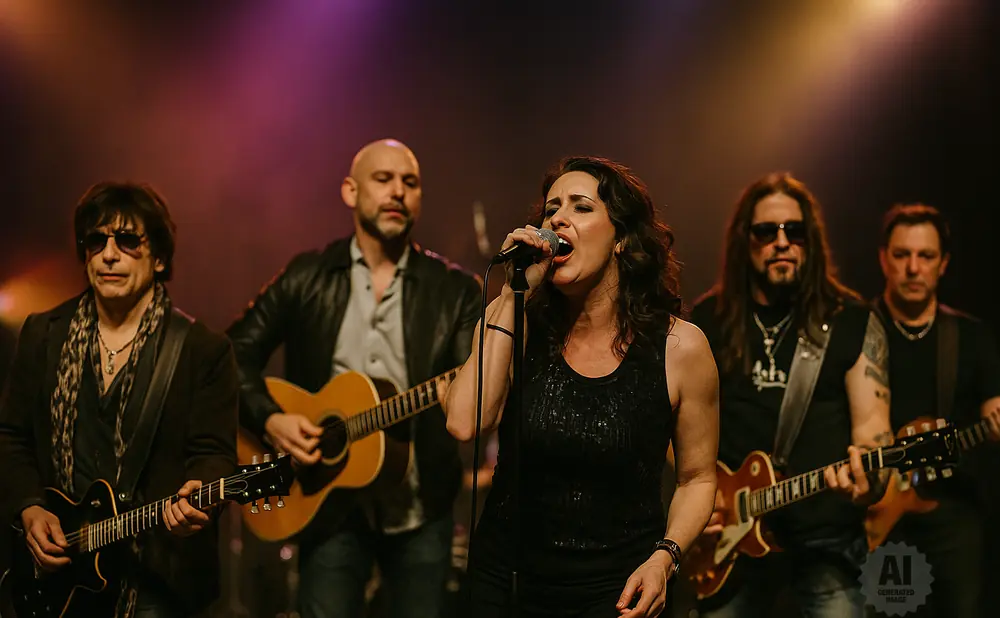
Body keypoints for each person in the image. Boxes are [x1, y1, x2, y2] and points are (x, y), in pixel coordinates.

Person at [443, 155, 720, 618]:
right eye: (552, 208)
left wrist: (665, 558)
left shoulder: (679, 348)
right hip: (506, 585)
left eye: (581, 206)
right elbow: (465, 423)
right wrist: (517, 294)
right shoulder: (513, 323)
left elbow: (698, 477)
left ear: (621, 239)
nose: (558, 219)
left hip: (616, 592)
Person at [227, 139, 482, 618]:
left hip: (420, 510)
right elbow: (229, 357)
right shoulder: (307, 276)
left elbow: (478, 393)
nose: (397, 193)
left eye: (410, 183)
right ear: (350, 191)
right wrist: (271, 420)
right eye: (383, 179)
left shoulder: (456, 291)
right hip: (325, 508)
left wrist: (462, 396)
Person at [0, 182, 238, 618]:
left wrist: (199, 493)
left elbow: (214, 453)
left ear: (159, 257)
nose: (109, 254)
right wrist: (29, 507)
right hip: (57, 575)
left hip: (154, 575)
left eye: (128, 241)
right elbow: (11, 437)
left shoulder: (203, 349)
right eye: (97, 240)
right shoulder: (42, 334)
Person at [689, 172, 893, 618]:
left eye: (794, 231)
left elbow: (875, 431)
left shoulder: (853, 320)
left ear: (811, 241)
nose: (782, 242)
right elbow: (672, 429)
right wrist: (699, 500)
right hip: (728, 548)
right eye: (766, 231)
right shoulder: (707, 320)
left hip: (825, 539)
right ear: (746, 241)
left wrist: (868, 482)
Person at [871, 203, 1000, 618]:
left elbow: (992, 403)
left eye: (925, 256)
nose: (913, 268)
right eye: (902, 254)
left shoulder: (970, 336)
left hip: (950, 509)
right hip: (873, 508)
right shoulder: (855, 329)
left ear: (943, 264)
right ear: (883, 259)